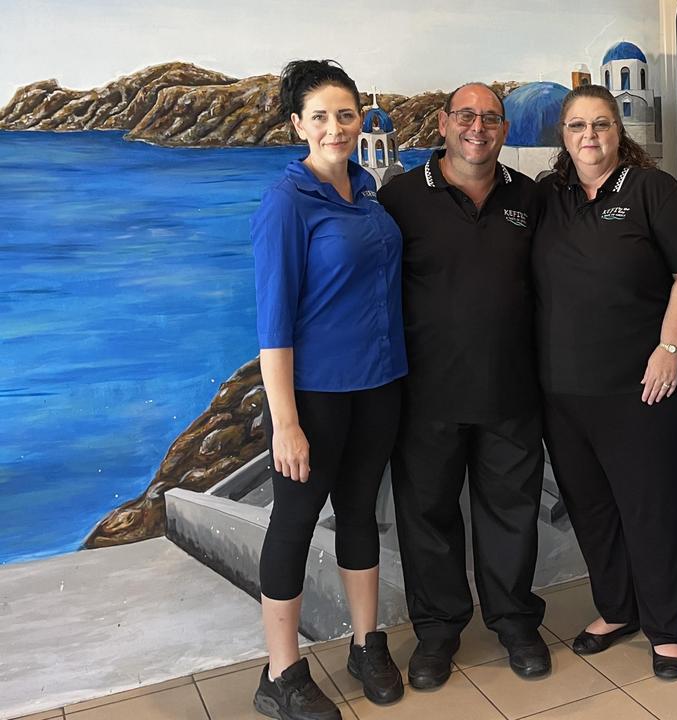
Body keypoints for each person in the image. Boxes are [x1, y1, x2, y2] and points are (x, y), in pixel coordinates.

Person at [532, 84, 677, 679]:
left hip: (643, 387)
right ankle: (616, 610)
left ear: (619, 132)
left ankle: (666, 630)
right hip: (563, 393)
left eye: (602, 124)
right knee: (592, 507)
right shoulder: (548, 198)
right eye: (578, 126)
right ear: (563, 135)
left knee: (652, 506)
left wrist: (670, 349)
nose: (590, 136)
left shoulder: (652, 190)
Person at [378, 82, 549, 689]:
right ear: (444, 123)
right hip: (426, 394)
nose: (479, 126)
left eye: (492, 117)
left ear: (503, 129)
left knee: (512, 515)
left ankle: (514, 623)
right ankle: (438, 632)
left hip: (512, 391)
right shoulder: (397, 198)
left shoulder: (529, 197)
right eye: (467, 115)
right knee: (427, 517)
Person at [250, 60, 406, 720]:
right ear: (298, 125)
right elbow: (273, 324)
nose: (336, 127)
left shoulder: (367, 196)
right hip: (313, 397)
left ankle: (366, 644)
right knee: (292, 523)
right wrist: (286, 422)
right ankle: (280, 674)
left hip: (379, 385)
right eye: (320, 115)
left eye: (346, 114)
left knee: (361, 513)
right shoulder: (287, 203)